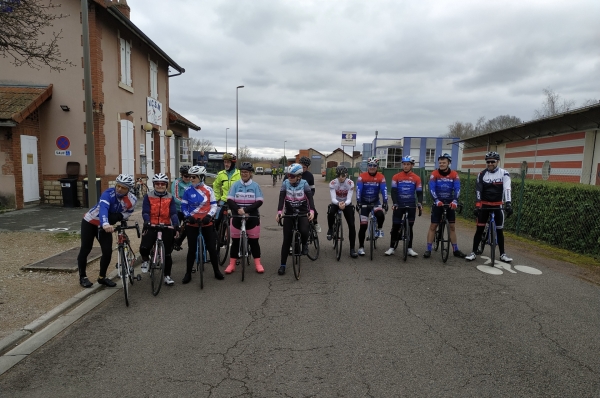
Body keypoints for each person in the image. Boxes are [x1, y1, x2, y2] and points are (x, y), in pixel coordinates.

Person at [77, 174, 137, 288]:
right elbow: (103, 209)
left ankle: (102, 277)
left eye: (123, 187)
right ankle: (82, 276)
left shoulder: (132, 199)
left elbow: (128, 213)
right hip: (90, 222)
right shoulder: (108, 193)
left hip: (106, 226)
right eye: (118, 185)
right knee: (86, 248)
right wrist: (105, 223)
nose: (119, 189)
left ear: (129, 189)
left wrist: (119, 216)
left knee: (107, 251)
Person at [465, 152, 514, 262]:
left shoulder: (504, 173)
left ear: (498, 161)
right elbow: (478, 190)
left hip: (498, 205)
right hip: (484, 205)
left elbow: (507, 188)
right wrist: (477, 205)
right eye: (488, 162)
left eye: (493, 161)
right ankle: (473, 252)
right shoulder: (481, 174)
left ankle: (502, 254)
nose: (490, 163)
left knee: (500, 231)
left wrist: (508, 203)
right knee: (479, 229)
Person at [181, 165, 224, 283]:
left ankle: (216, 271)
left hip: (207, 222)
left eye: (194, 177)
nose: (191, 179)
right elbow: (183, 206)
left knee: (211, 248)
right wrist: (188, 216)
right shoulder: (187, 190)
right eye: (190, 177)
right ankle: (188, 273)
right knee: (191, 249)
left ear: (201, 177)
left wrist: (209, 216)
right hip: (192, 223)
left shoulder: (209, 190)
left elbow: (214, 205)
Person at [423, 153, 466, 258]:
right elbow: (431, 188)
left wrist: (455, 200)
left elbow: (457, 188)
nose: (441, 164)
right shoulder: (434, 174)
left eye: (444, 162)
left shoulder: (454, 174)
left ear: (449, 163)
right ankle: (428, 249)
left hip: (450, 201)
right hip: (438, 201)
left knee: (452, 226)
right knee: (433, 226)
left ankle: (456, 249)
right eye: (440, 162)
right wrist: (436, 200)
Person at [275, 163, 316, 275]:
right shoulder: (285, 183)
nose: (289, 177)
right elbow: (281, 198)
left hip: (303, 212)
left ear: (299, 176)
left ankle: (305, 244)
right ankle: (282, 265)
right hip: (289, 212)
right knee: (286, 240)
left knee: (303, 230)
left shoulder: (304, 184)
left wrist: (311, 211)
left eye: (292, 176)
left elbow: (310, 198)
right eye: (288, 175)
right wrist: (279, 212)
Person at [139, 173, 179, 285]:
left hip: (166, 226)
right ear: (154, 185)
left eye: (162, 184)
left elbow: (173, 213)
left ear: (166, 185)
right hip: (151, 225)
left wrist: (175, 224)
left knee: (167, 254)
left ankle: (167, 276)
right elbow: (145, 211)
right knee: (144, 247)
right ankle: (146, 260)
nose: (160, 185)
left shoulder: (170, 197)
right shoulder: (148, 196)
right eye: (157, 183)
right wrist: (147, 221)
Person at [225, 162, 265, 274]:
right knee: (235, 242)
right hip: (237, 215)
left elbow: (259, 201)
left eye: (246, 172)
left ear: (250, 173)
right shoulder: (235, 185)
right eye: (242, 172)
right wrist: (238, 209)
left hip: (252, 216)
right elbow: (229, 199)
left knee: (254, 242)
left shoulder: (255, 186)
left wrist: (246, 211)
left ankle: (258, 264)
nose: (244, 174)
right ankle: (232, 264)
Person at [385, 156, 423, 257]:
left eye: (408, 164)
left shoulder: (416, 178)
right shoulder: (396, 176)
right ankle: (391, 248)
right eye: (404, 164)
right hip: (399, 204)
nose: (405, 166)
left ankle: (409, 248)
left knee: (410, 227)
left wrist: (419, 203)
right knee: (395, 226)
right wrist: (395, 203)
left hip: (411, 204)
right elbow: (393, 192)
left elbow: (419, 192)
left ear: (412, 165)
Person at [355, 157, 388, 256]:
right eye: (370, 165)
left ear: (377, 167)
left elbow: (384, 190)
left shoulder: (381, 177)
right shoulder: (362, 176)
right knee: (363, 226)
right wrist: (358, 202)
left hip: (375, 202)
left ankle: (379, 229)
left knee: (381, 215)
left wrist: (385, 202)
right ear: (367, 166)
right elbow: (359, 190)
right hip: (364, 203)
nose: (372, 167)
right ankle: (361, 247)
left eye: (374, 165)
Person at [326, 165, 358, 258]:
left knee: (352, 225)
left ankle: (352, 249)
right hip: (336, 202)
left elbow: (349, 197)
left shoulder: (350, 183)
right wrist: (338, 203)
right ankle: (330, 229)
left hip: (346, 203)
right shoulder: (333, 183)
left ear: (346, 175)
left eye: (343, 175)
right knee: (331, 212)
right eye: (339, 175)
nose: (341, 177)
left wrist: (344, 204)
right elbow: (333, 198)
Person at [213, 152, 240, 233]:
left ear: (233, 163)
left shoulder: (239, 174)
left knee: (238, 220)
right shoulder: (221, 174)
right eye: (225, 162)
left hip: (236, 201)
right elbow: (216, 186)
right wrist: (217, 198)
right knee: (216, 220)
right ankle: (217, 239)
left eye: (228, 162)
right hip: (224, 200)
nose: (226, 164)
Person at [298, 156, 321, 233]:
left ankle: (315, 223)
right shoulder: (294, 173)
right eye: (300, 166)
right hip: (294, 198)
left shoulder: (309, 175)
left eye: (304, 167)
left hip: (306, 198)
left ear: (307, 168)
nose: (302, 169)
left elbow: (312, 189)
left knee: (314, 212)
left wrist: (308, 197)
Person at [172, 165, 191, 251]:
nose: (188, 178)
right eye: (186, 176)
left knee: (188, 227)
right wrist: (186, 203)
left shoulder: (192, 183)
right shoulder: (177, 182)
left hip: (188, 210)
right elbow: (175, 197)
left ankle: (178, 242)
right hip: (178, 209)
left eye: (189, 176)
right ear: (181, 175)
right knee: (175, 228)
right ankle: (170, 244)